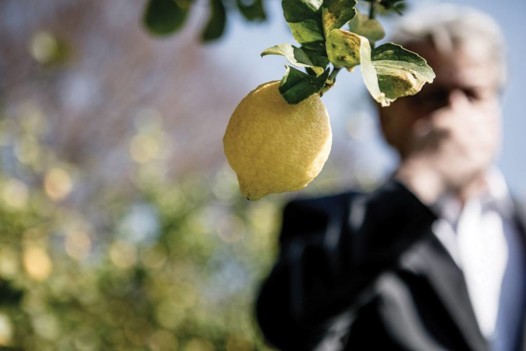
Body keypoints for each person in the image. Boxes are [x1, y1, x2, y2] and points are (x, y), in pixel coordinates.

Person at [255, 4, 526, 351]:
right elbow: (288, 323)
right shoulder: (327, 222)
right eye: (432, 97)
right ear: (385, 117)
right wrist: (421, 181)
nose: (455, 115)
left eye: (473, 94)